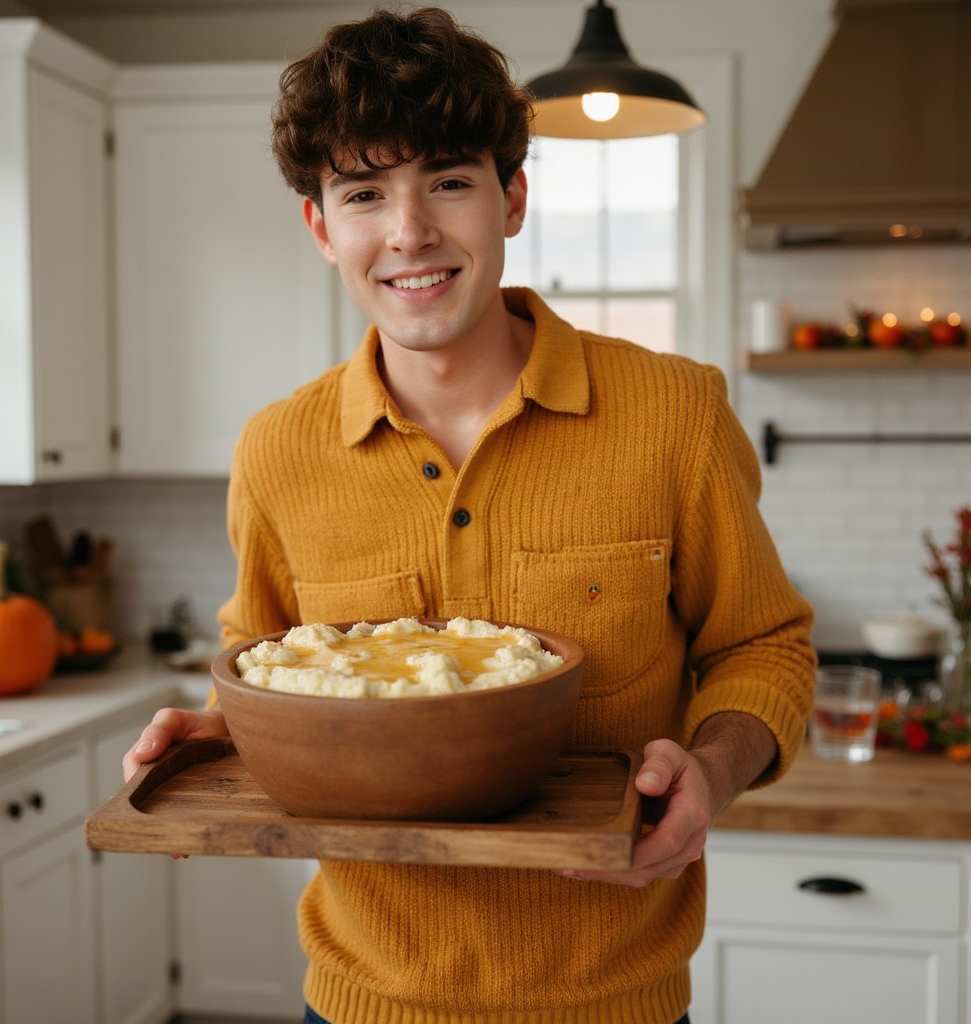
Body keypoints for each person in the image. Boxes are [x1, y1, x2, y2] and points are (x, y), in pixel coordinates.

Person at [123, 7, 815, 1023]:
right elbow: (268, 673)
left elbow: (764, 647)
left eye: (447, 181)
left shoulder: (676, 414)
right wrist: (219, 734)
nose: (409, 232)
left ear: (512, 200)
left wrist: (710, 770)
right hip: (361, 1000)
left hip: (618, 1002)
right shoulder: (276, 451)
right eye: (364, 193)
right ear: (322, 228)